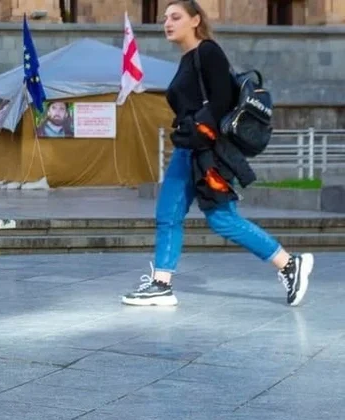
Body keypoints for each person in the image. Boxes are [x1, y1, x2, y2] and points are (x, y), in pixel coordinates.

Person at [121, 0, 314, 307]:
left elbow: (222, 98)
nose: (167, 23)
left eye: (175, 17)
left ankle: (289, 264)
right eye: (165, 18)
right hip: (188, 149)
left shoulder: (208, 51)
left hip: (208, 152)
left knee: (222, 219)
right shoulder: (188, 59)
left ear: (195, 20)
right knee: (168, 214)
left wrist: (199, 128)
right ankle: (161, 284)